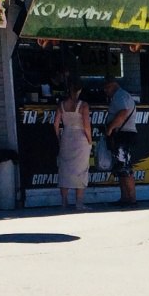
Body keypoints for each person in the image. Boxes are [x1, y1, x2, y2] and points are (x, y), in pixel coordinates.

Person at [54, 78, 92, 210]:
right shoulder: (83, 105)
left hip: (66, 136)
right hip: (80, 138)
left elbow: (55, 124)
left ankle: (64, 202)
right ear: (80, 90)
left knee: (64, 169)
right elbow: (87, 126)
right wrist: (89, 140)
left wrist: (59, 137)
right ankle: (79, 203)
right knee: (81, 169)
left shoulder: (61, 105)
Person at [102, 77, 139, 206]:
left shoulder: (120, 96)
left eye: (106, 89)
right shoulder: (122, 96)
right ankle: (125, 198)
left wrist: (110, 128)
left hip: (124, 135)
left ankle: (132, 199)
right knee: (121, 168)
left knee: (125, 168)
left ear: (112, 86)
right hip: (123, 135)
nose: (105, 92)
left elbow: (123, 113)